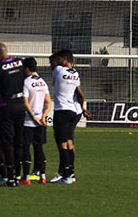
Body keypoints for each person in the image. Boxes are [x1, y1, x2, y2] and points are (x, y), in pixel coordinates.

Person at [49, 49, 92, 185]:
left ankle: (65, 175)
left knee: (62, 144)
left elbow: (55, 83)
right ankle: (70, 173)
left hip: (62, 110)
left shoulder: (58, 71)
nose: (53, 64)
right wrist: (82, 107)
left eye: (57, 60)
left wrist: (54, 63)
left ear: (64, 59)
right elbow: (80, 93)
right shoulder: (76, 74)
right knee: (69, 142)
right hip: (74, 111)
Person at [0, 42, 26, 187]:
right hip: (21, 104)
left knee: (8, 143)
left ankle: (10, 178)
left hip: (7, 106)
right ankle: (17, 176)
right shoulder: (20, 62)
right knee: (19, 142)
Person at [21, 57, 51, 185]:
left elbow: (25, 102)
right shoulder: (43, 82)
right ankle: (42, 177)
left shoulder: (26, 82)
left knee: (26, 147)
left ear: (27, 69)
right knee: (39, 148)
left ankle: (26, 178)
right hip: (41, 121)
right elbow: (48, 102)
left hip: (29, 121)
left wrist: (33, 116)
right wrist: (43, 116)